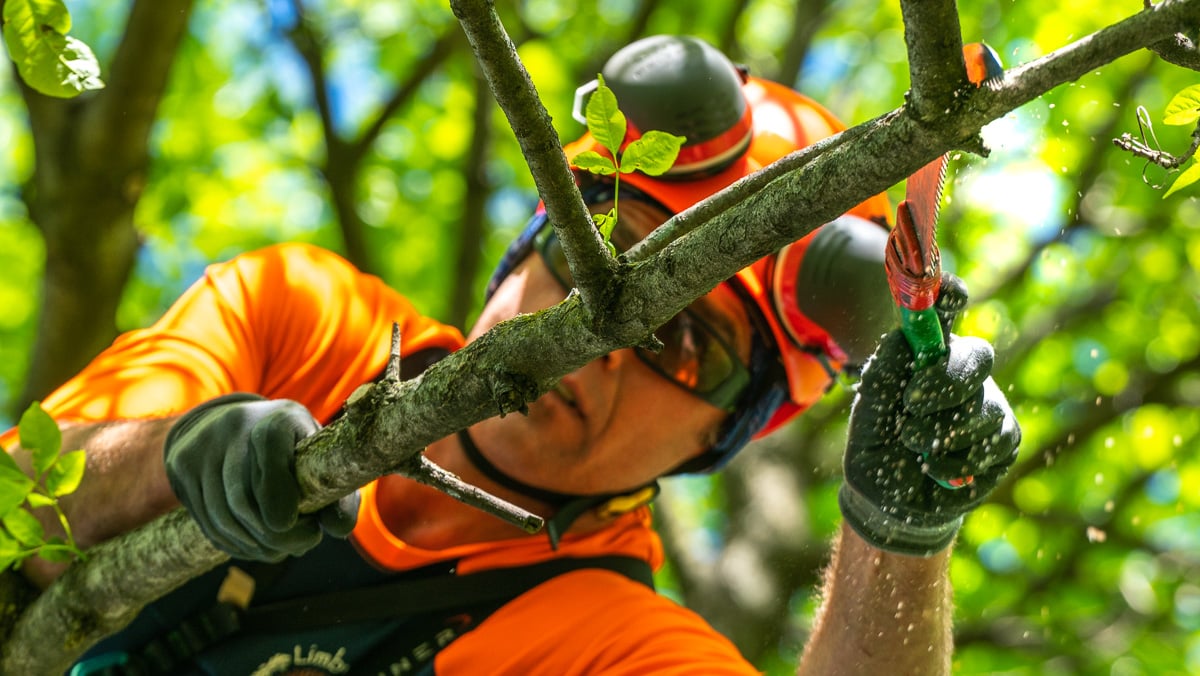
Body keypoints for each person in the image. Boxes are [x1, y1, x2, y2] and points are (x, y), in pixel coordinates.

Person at [3, 35, 1019, 675]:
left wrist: (899, 531)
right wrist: (168, 461)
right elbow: (18, 500)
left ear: (724, 433)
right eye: (601, 260)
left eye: (686, 340)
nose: (606, 341)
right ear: (530, 245)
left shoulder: (605, 641)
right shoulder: (300, 318)